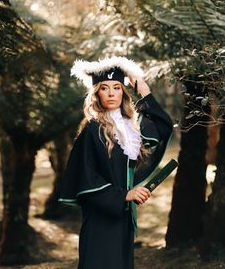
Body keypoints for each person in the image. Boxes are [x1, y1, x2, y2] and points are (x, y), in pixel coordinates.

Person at [59, 56, 173, 269]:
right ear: (96, 93)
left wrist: (144, 89)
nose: (111, 93)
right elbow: (85, 177)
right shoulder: (91, 131)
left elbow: (163, 126)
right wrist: (124, 195)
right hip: (101, 220)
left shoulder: (132, 128)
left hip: (124, 217)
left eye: (116, 87)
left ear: (123, 91)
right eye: (104, 88)